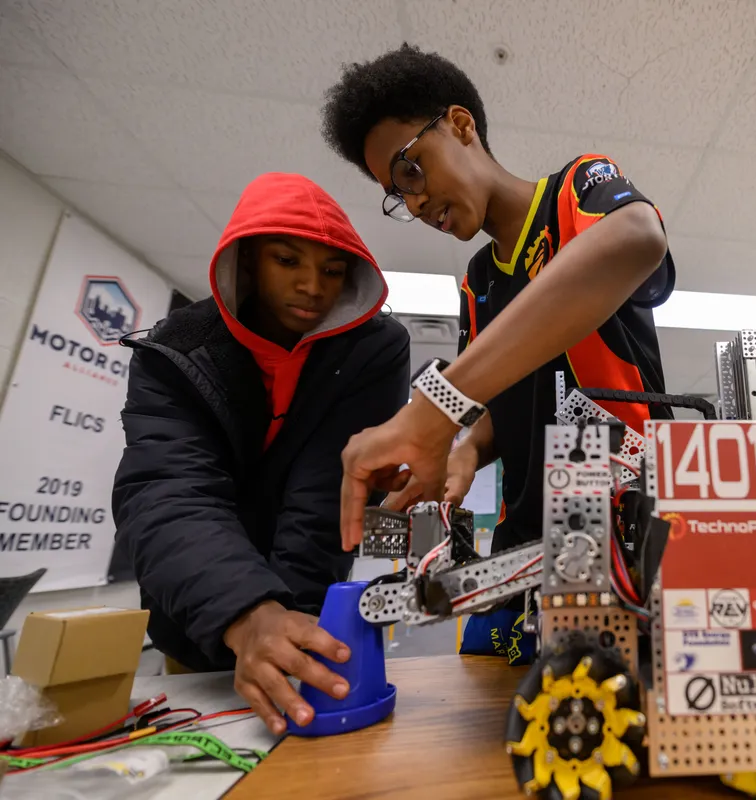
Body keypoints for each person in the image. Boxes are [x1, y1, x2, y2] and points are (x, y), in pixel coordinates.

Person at [322, 45, 674, 661]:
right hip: (521, 551)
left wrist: (435, 407)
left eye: (411, 170)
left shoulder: (577, 188)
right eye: (397, 194)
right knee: (495, 683)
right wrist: (464, 451)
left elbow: (637, 237)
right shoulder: (477, 281)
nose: (414, 203)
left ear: (461, 126)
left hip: (624, 533)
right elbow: (501, 402)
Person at [112, 173, 410, 734]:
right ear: (248, 260)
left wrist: (287, 627)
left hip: (306, 622)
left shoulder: (372, 350)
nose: (312, 286)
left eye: (332, 270)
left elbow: (323, 497)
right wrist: (246, 615)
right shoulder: (175, 352)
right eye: (287, 260)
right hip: (197, 623)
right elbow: (168, 492)